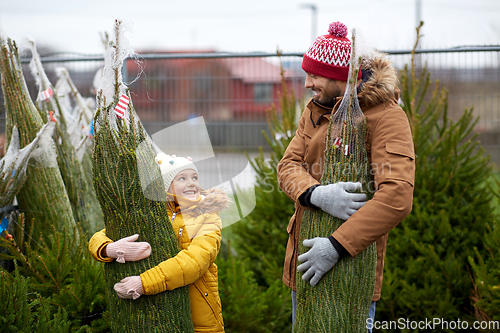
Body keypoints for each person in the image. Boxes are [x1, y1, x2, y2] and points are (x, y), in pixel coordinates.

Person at [276, 21, 415, 329]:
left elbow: (397, 197)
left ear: (340, 75)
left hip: (350, 269)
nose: (307, 83)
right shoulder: (316, 110)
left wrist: (336, 246)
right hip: (306, 263)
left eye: (314, 75)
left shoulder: (386, 117)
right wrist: (317, 195)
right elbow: (288, 166)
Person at [89, 153, 230, 333]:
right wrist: (110, 248)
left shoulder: (207, 215)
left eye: (195, 177)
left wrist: (144, 282)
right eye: (182, 178)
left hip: (198, 313)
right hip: (156, 310)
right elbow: (98, 236)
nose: (192, 182)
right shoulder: (152, 212)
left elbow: (196, 261)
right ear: (166, 186)